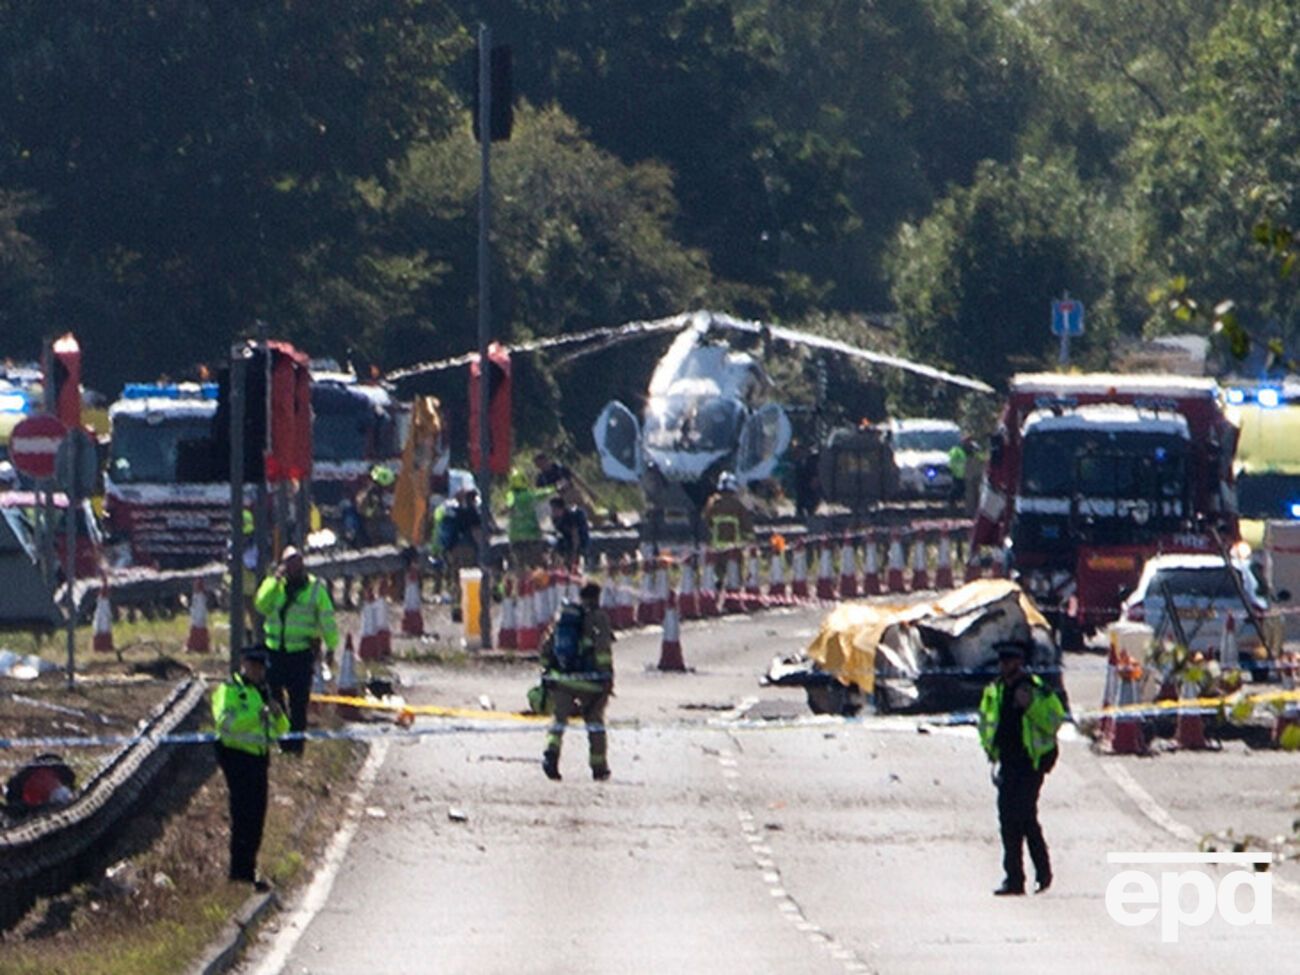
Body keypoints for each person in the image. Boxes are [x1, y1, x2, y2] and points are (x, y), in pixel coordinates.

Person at [978, 639, 1066, 896]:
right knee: (1007, 819)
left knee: (1025, 817)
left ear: (1019, 663)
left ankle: (1043, 874)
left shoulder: (1037, 690)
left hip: (1031, 763)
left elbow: (1054, 720)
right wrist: (990, 749)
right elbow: (985, 721)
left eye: (1010, 661)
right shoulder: (995, 690)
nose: (1004, 665)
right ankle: (1014, 878)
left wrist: (1031, 706)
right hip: (1007, 761)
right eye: (1002, 661)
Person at [211, 647, 288, 890]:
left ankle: (249, 870)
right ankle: (239, 873)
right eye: (253, 665)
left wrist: (277, 715)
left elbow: (282, 730)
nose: (257, 671)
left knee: (257, 817)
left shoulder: (263, 692)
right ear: (243, 663)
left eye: (261, 667)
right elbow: (225, 724)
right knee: (242, 815)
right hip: (235, 757)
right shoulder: (230, 690)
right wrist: (257, 716)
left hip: (259, 759)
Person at [253, 546, 339, 755]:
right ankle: (283, 742)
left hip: (301, 654)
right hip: (275, 652)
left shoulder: (315, 589)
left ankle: (296, 748)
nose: (293, 569)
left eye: (297, 564)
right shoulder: (274, 586)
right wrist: (275, 581)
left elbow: (327, 619)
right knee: (275, 699)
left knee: (299, 702)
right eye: (289, 564)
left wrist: (331, 646)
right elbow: (261, 605)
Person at [539, 581, 614, 781]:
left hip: (563, 680)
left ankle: (550, 756)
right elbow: (603, 651)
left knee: (558, 720)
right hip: (590, 682)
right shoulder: (599, 618)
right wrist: (607, 679)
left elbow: (546, 648)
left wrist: (547, 673)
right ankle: (599, 768)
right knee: (595, 723)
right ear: (597, 597)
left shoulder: (565, 617)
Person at [435, 488, 484, 620]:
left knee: (455, 578)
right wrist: (482, 548)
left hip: (452, 549)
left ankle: (456, 609)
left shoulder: (452, 512)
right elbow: (476, 532)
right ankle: (470, 608)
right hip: (468, 548)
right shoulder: (472, 513)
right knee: (469, 577)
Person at [504, 467, 549, 570]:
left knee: (520, 565)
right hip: (533, 535)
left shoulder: (511, 495)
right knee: (537, 565)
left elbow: (509, 504)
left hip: (516, 536)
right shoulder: (530, 495)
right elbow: (544, 493)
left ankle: (521, 583)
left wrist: (508, 508)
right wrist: (555, 487)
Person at [702, 471, 754, 548]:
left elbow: (705, 522)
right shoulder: (738, 505)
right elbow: (747, 528)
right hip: (733, 548)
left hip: (717, 548)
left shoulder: (713, 503)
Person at [549, 495, 590, 568]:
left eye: (555, 509)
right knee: (555, 548)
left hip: (580, 540)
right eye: (552, 509)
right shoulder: (556, 519)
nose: (553, 512)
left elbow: (575, 536)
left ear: (561, 509)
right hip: (566, 539)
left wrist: (574, 553)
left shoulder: (570, 516)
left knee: (573, 559)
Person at [948, 437, 968, 509]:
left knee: (962, 489)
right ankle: (951, 503)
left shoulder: (965, 451)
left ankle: (956, 503)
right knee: (956, 489)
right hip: (957, 474)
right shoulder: (956, 451)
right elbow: (952, 461)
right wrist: (953, 470)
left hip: (963, 474)